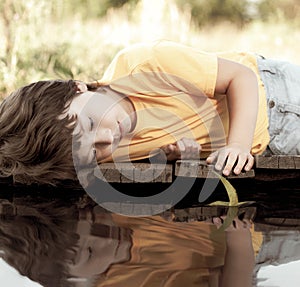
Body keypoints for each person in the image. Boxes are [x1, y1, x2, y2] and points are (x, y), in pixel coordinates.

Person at [0, 40, 299, 186]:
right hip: (271, 143)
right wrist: (173, 155)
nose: (106, 139)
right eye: (91, 153)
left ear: (79, 88)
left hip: (274, 96)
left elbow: (241, 78)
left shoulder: (143, 65)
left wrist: (237, 145)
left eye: (90, 122)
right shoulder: (108, 150)